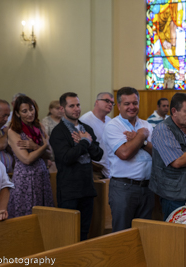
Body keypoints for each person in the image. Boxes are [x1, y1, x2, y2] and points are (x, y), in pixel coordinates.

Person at [50, 92, 103, 240]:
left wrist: (86, 141)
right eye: (71, 106)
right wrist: (85, 142)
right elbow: (66, 158)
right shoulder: (58, 132)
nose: (76, 109)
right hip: (69, 190)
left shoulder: (86, 128)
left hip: (87, 187)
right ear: (62, 109)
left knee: (84, 232)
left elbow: (98, 154)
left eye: (78, 105)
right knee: (68, 234)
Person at [103, 87, 154, 232]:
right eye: (127, 104)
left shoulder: (146, 125)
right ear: (119, 106)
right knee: (122, 233)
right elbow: (125, 153)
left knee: (145, 234)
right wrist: (142, 136)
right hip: (123, 188)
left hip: (147, 187)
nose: (132, 107)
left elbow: (158, 154)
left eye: (135, 103)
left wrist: (140, 140)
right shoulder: (113, 126)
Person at [7, 96, 54, 218]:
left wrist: (35, 147)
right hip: (25, 178)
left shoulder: (39, 126)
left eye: (31, 109)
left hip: (41, 175)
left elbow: (51, 155)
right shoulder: (14, 131)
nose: (30, 113)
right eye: (24, 111)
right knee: (26, 215)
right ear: (17, 113)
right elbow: (27, 159)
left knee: (43, 216)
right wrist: (43, 147)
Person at [80, 92, 114, 179]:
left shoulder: (110, 121)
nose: (110, 104)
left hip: (110, 168)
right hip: (94, 169)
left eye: (112, 103)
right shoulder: (85, 120)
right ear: (97, 102)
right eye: (107, 101)